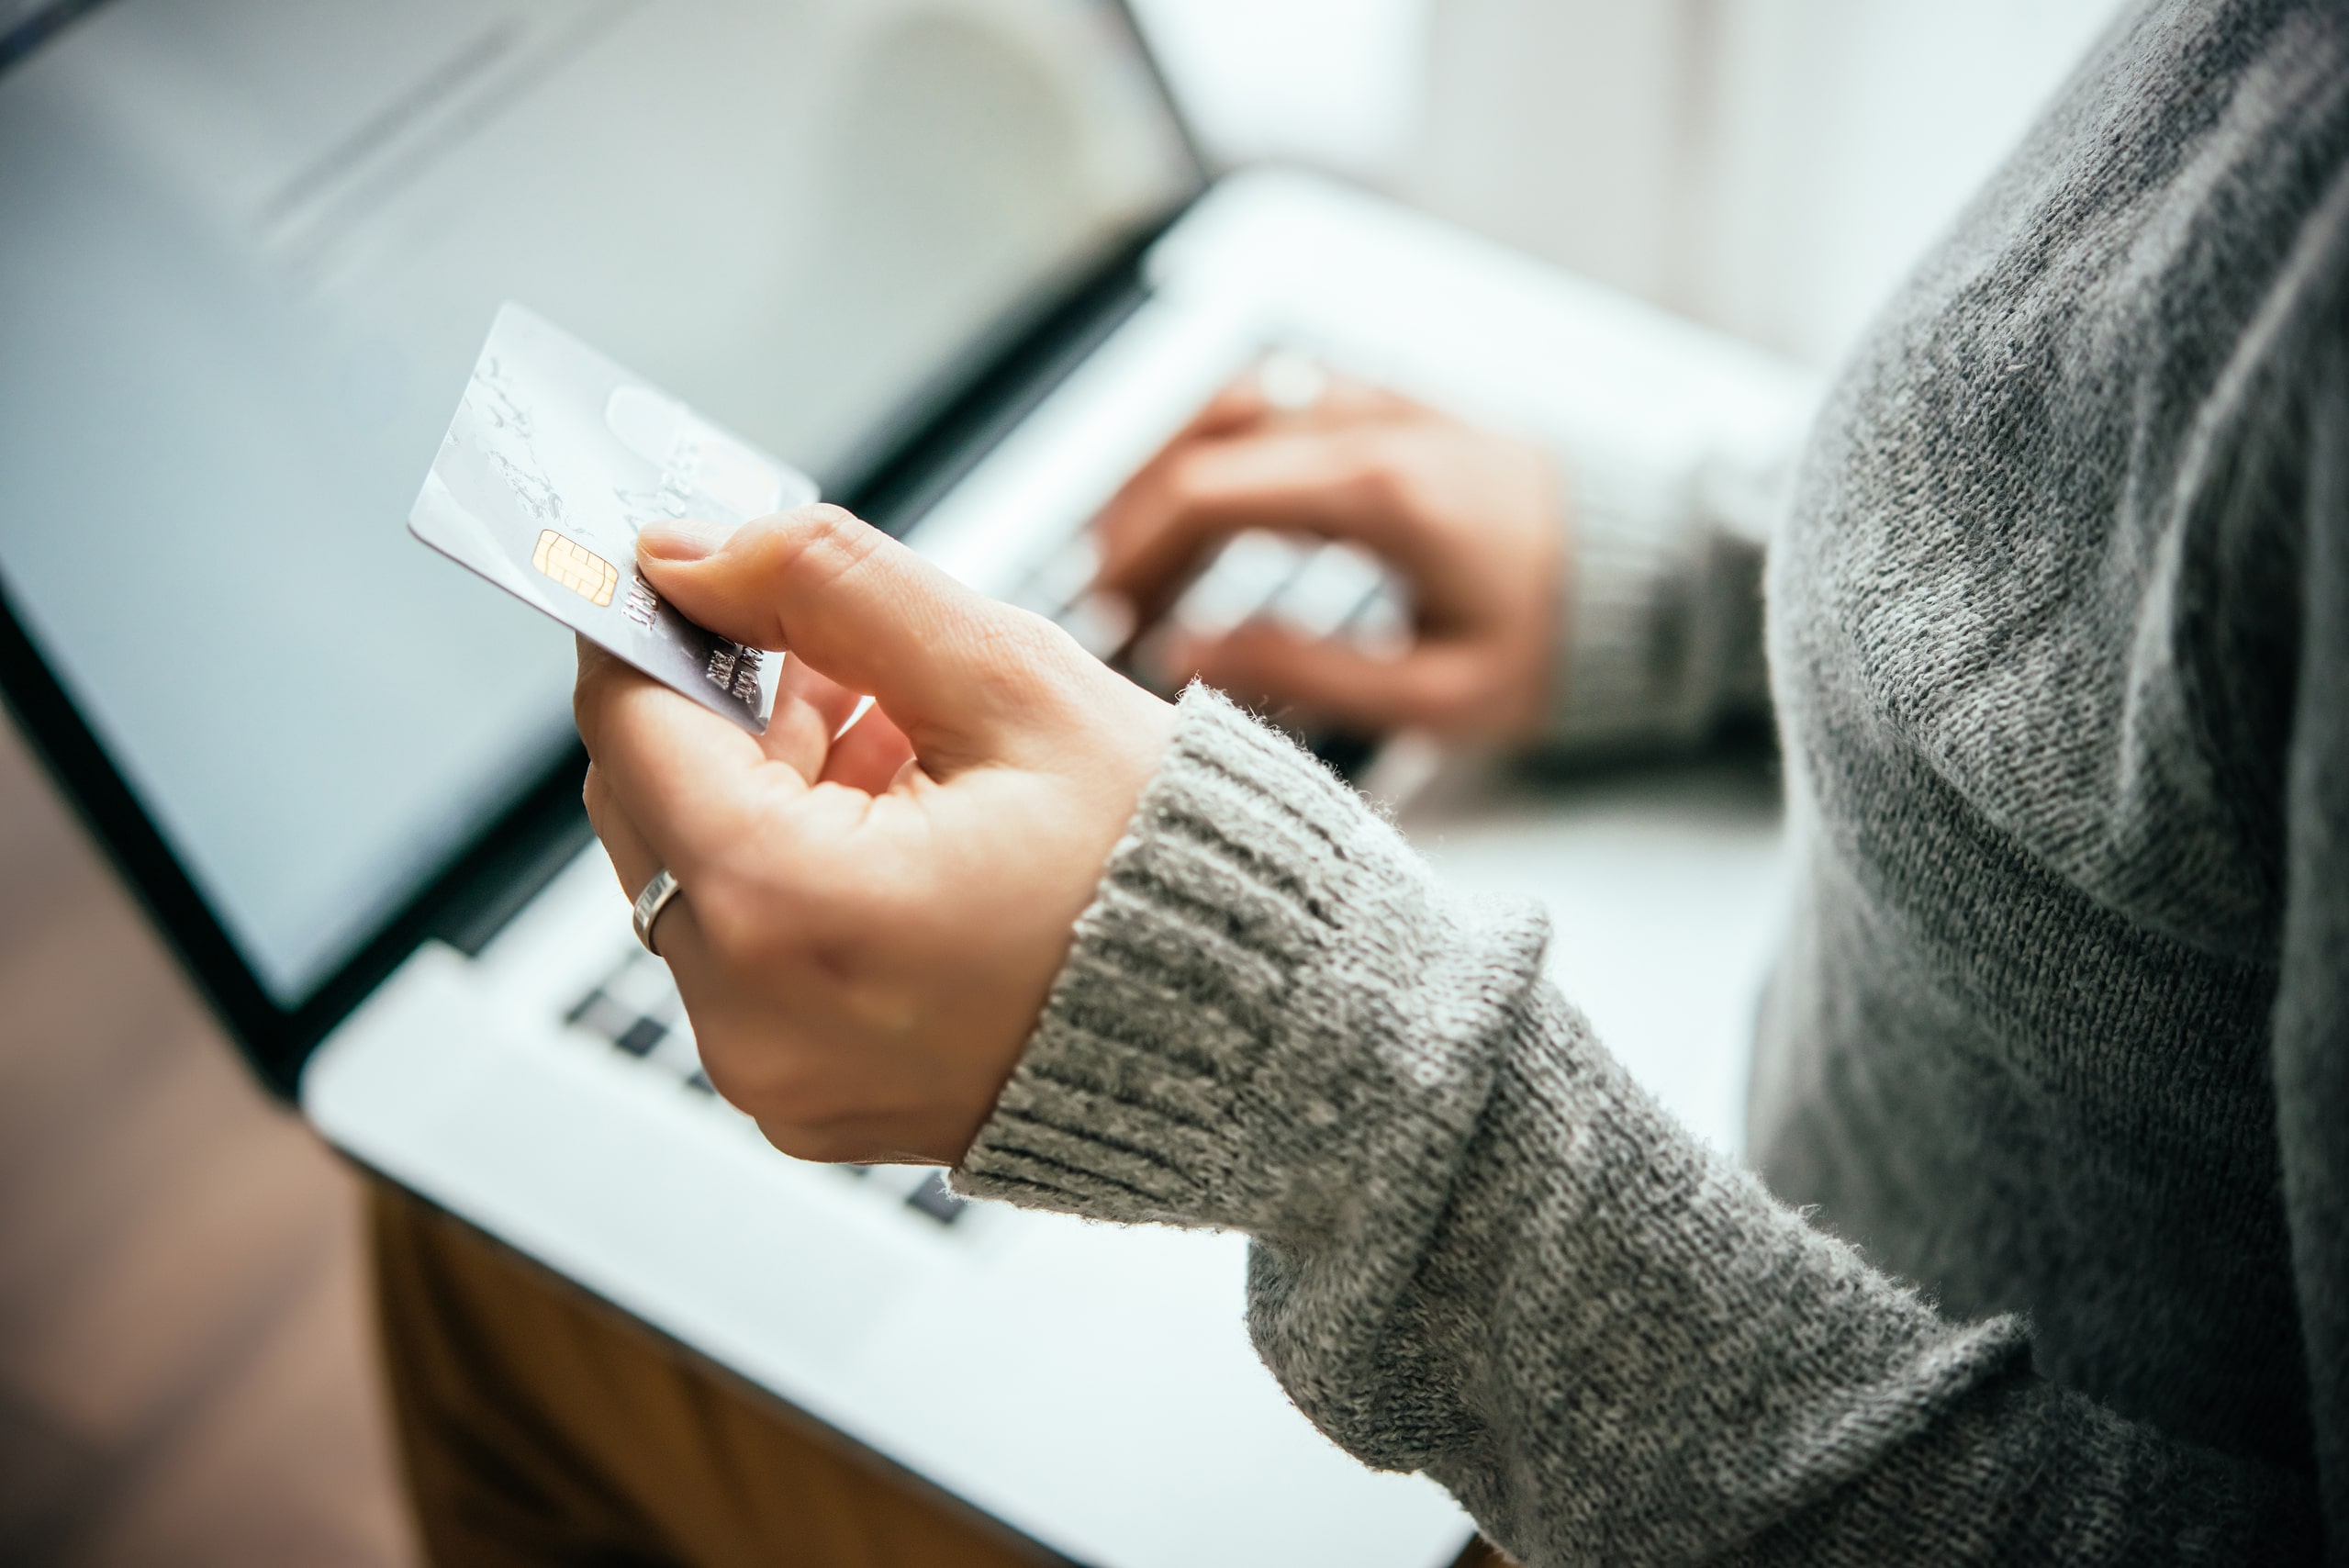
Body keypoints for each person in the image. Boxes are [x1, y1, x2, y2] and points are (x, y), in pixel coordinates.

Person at [381, 0, 2346, 1561]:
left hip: (1709, 1418)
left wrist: (1321, 1081)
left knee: (462, 1262)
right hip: (1797, 1189)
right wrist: (1710, 581)